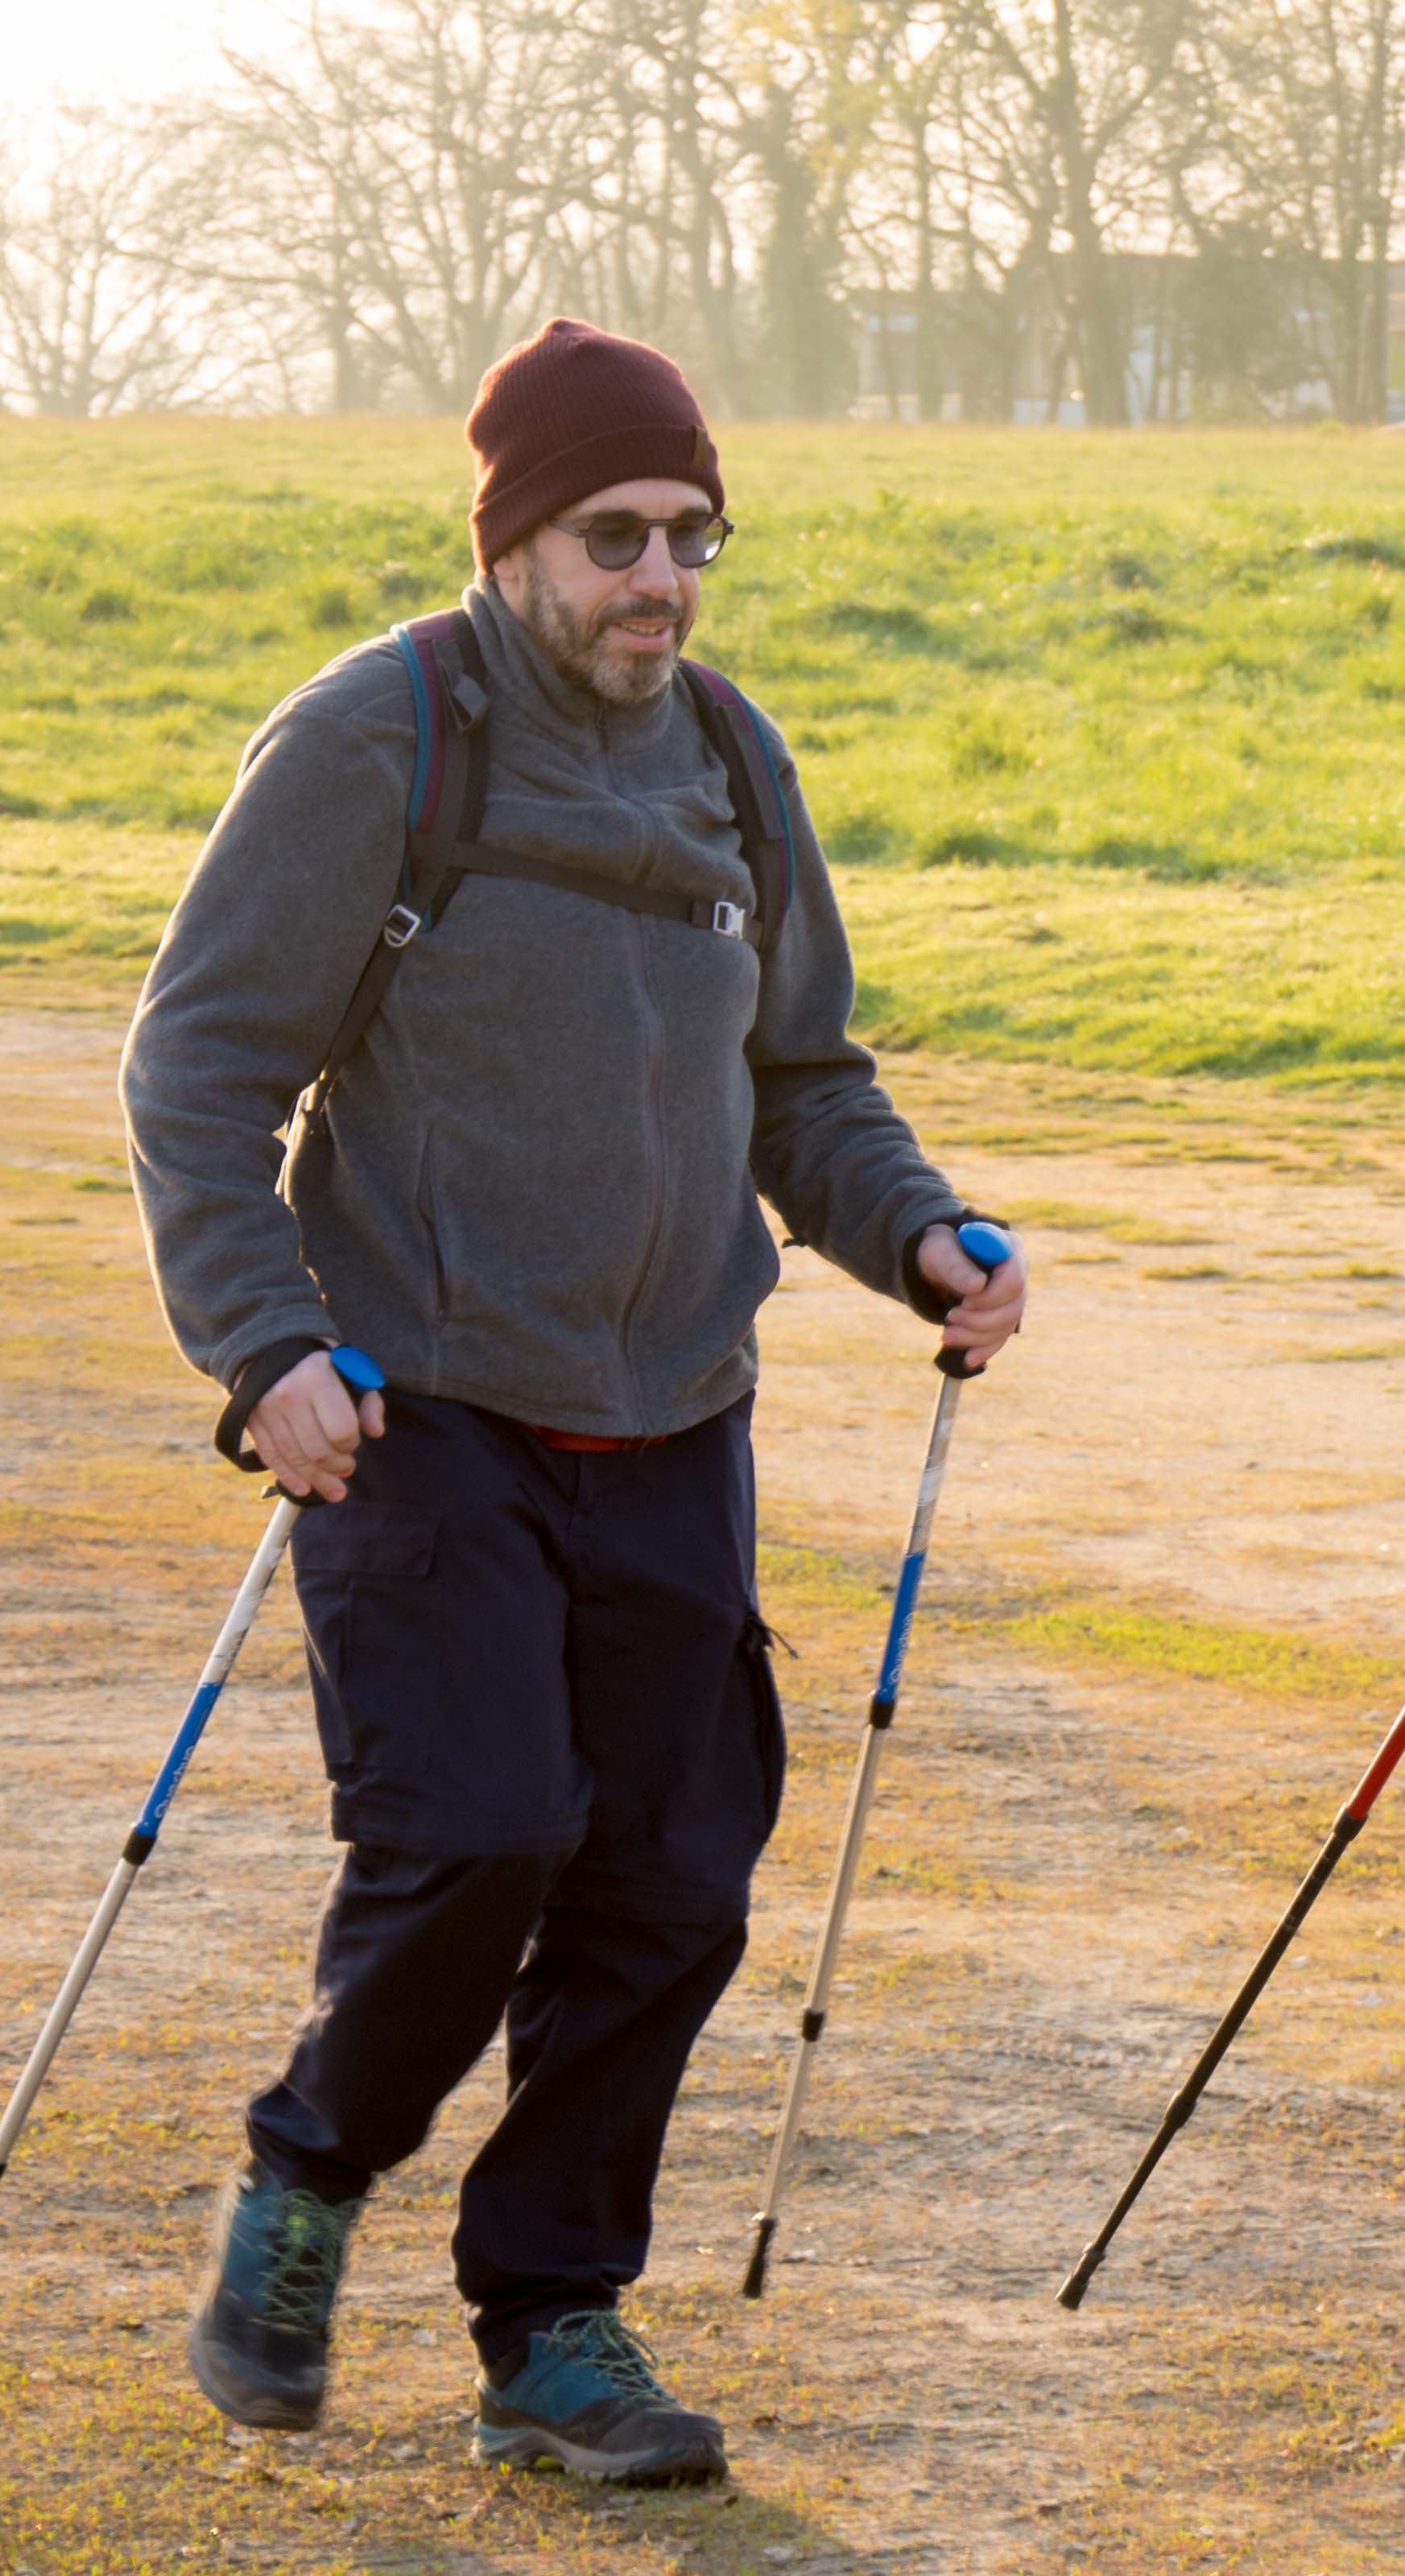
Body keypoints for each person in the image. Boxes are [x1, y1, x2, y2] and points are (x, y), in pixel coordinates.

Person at [122, 319, 1023, 2487]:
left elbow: (800, 1074)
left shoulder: (725, 753)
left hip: (674, 1415)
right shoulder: (381, 739)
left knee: (674, 1874)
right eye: (615, 536)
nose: (660, 579)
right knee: (484, 1832)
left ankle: (555, 2328)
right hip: (418, 1407)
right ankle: (309, 2180)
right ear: (514, 540)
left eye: (693, 537)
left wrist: (915, 1232)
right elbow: (201, 1068)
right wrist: (263, 1349)